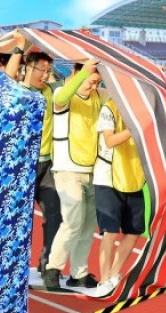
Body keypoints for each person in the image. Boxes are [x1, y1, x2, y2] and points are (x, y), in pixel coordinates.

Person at [42, 59, 108, 289]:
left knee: (88, 226)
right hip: (67, 169)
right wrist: (83, 74)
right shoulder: (63, 94)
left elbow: (122, 94)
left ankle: (79, 273)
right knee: (72, 222)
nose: (93, 86)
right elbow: (60, 99)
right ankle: (52, 269)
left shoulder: (99, 96)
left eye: (97, 82)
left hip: (93, 170)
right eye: (91, 81)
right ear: (77, 73)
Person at [5, 34, 62, 274]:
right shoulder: (17, 91)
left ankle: (46, 263)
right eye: (42, 70)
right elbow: (7, 77)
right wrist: (20, 46)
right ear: (29, 67)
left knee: (55, 215)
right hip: (22, 166)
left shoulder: (50, 91)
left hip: (47, 165)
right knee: (19, 218)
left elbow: (71, 84)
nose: (46, 75)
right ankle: (14, 266)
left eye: (49, 71)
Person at [93, 98, 146, 297]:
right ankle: (104, 279)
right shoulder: (109, 108)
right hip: (108, 178)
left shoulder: (140, 109)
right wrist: (134, 128)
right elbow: (109, 140)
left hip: (132, 177)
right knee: (110, 231)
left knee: (134, 231)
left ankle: (114, 274)